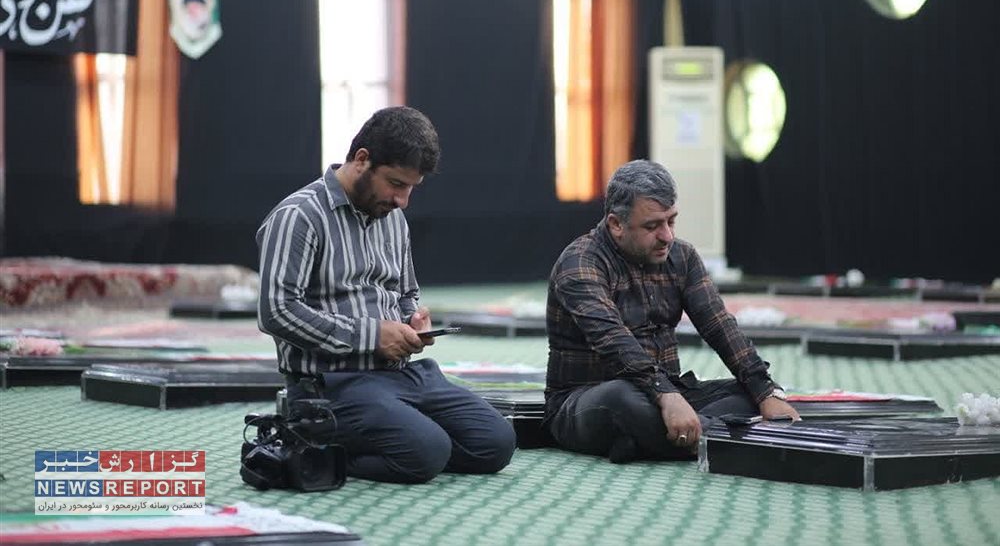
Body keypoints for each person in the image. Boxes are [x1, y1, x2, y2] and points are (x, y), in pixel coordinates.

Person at [256, 107, 515, 484]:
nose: (402, 200)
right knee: (426, 452)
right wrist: (373, 336)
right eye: (396, 183)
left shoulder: (392, 218)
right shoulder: (299, 216)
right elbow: (277, 311)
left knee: (495, 442)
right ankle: (309, 442)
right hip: (332, 385)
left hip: (402, 376)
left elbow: (406, 291)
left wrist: (413, 321)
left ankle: (401, 437)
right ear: (362, 160)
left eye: (411, 188)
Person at [544, 159, 799, 463]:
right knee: (621, 397)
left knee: (749, 394)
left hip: (669, 393)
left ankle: (653, 442)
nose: (667, 236)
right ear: (616, 225)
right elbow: (613, 340)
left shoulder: (682, 257)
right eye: (652, 226)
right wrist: (664, 394)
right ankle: (716, 436)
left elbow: (720, 326)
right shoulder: (580, 263)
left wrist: (766, 391)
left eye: (671, 221)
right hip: (587, 400)